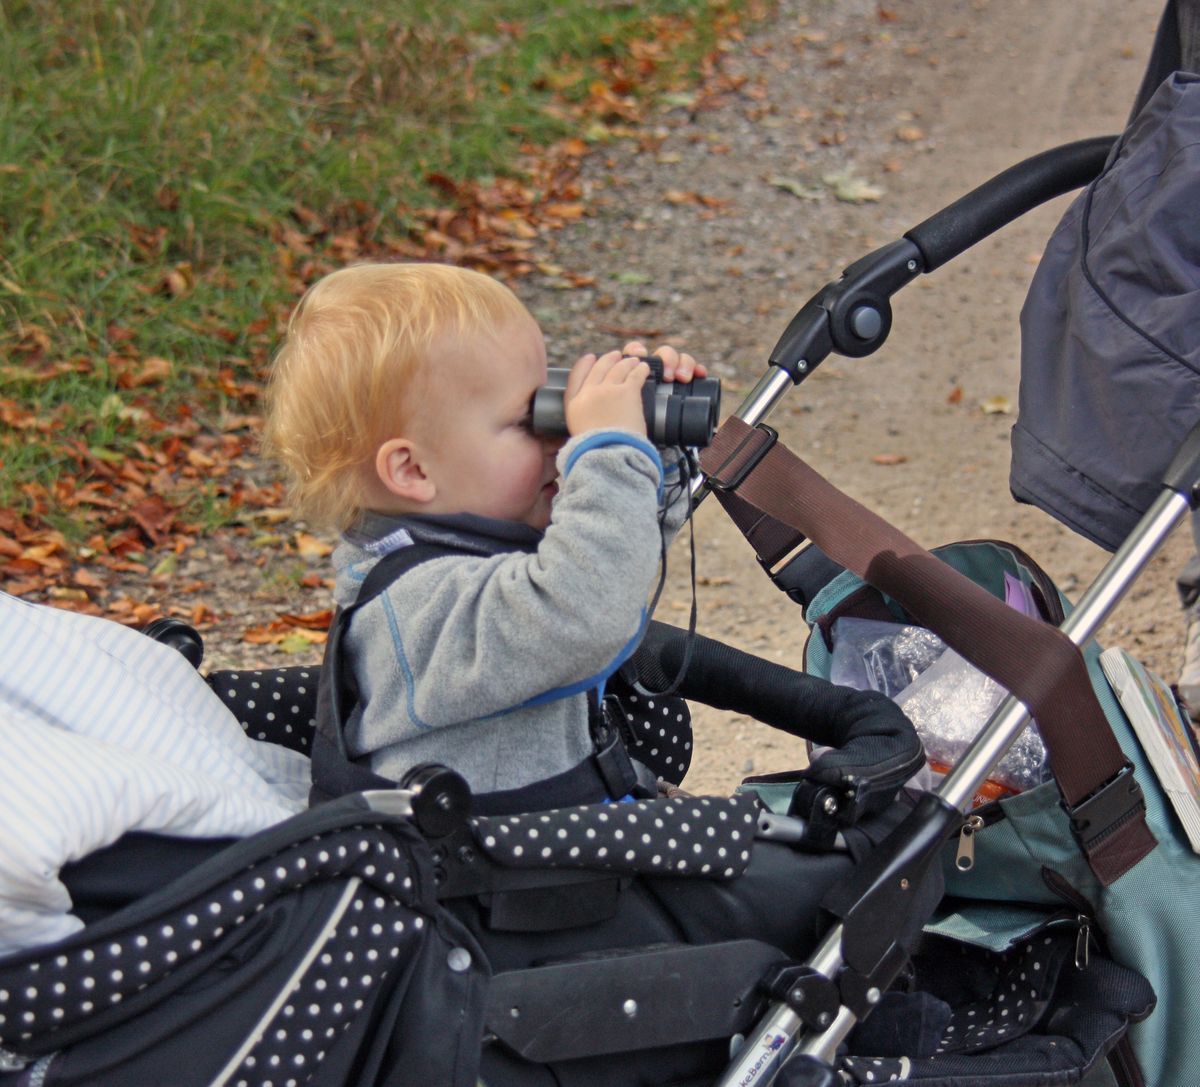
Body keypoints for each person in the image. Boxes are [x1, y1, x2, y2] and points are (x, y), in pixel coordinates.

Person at [263, 261, 703, 803]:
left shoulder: (480, 535)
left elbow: (619, 551)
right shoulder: (418, 608)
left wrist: (649, 442)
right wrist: (611, 447)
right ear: (413, 471)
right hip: (494, 881)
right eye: (529, 421)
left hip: (555, 852)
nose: (558, 436)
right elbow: (590, 606)